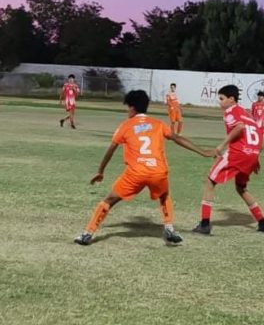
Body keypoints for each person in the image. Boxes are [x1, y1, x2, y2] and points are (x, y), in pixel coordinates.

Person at [74, 90, 215, 246]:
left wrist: (100, 171)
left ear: (132, 108)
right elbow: (176, 138)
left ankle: (88, 233)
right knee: (164, 196)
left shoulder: (126, 126)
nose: (127, 111)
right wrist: (203, 151)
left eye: (127, 108)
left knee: (109, 200)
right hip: (158, 172)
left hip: (136, 173)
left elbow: (110, 150)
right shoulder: (158, 124)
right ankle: (169, 227)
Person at [192, 85, 264, 235]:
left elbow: (239, 127)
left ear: (231, 99)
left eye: (221, 98)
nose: (219, 102)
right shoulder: (247, 114)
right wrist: (256, 157)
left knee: (210, 181)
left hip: (238, 153)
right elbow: (258, 134)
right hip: (252, 153)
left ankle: (204, 224)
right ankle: (262, 222)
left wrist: (221, 146)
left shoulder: (230, 111)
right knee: (241, 187)